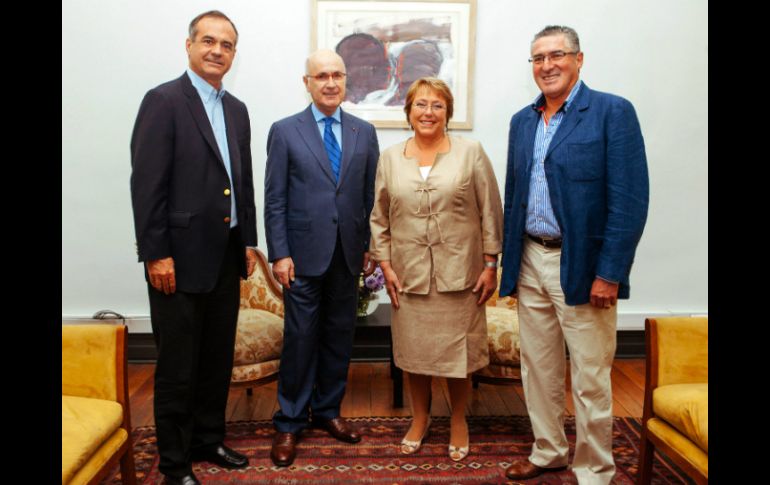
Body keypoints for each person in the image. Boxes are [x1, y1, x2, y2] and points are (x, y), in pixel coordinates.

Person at [500, 25, 649, 483]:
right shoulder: (523, 121)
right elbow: (515, 196)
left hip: (582, 265)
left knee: (589, 376)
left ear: (578, 59)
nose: (547, 65)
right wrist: (507, 267)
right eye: (538, 58)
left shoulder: (611, 112)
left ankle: (594, 469)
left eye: (557, 55)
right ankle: (548, 450)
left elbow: (629, 200)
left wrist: (610, 272)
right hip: (529, 259)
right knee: (538, 369)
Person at [129, 10, 256, 485]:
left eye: (226, 44)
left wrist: (248, 242)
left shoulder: (237, 109)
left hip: (225, 254)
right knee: (178, 366)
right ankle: (175, 463)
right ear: (189, 46)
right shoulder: (163, 101)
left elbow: (239, 183)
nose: (216, 51)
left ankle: (208, 439)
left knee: (215, 358)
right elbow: (146, 185)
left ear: (233, 54)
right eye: (208, 41)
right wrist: (155, 253)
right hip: (177, 259)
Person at [369, 77, 503, 462]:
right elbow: (379, 217)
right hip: (409, 276)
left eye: (437, 105)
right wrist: (385, 264)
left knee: (458, 358)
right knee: (415, 356)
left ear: (448, 112)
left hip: (461, 274)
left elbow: (491, 211)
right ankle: (421, 419)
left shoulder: (471, 152)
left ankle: (459, 420)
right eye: (421, 105)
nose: (428, 112)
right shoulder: (390, 157)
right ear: (408, 112)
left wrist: (491, 263)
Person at [264, 49, 380, 467]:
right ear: (307, 82)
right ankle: (290, 422)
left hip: (348, 254)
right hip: (301, 257)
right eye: (321, 76)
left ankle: (328, 412)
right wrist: (279, 253)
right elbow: (275, 197)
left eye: (337, 75)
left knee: (338, 337)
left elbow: (369, 196)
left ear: (346, 80)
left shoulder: (364, 132)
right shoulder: (285, 131)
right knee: (300, 339)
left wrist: (368, 243)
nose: (330, 83)